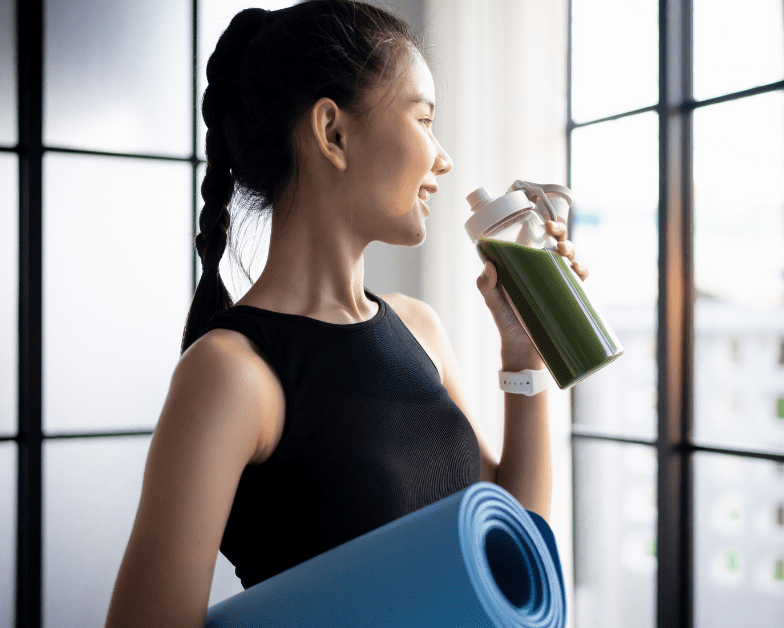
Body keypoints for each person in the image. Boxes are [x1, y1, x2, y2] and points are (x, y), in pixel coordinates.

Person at [104, 2, 587, 627]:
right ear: (333, 132)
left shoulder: (420, 329)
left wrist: (524, 357)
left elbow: (513, 556)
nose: (442, 159)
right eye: (424, 120)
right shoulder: (229, 374)